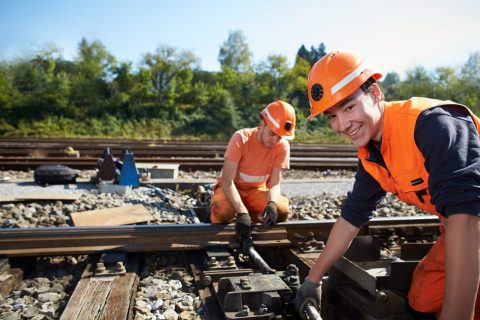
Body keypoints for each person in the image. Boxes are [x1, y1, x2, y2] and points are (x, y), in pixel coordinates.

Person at [294, 51, 480, 320]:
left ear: (375, 93)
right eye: (331, 116)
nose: (342, 124)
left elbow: (467, 216)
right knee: (423, 298)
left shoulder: (432, 124)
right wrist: (313, 279)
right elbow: (350, 219)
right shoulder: (373, 156)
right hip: (462, 226)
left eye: (349, 107)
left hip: (472, 222)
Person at [210, 100, 296, 240]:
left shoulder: (282, 146)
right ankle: (237, 212)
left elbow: (275, 184)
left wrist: (272, 203)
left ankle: (250, 215)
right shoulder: (241, 138)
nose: (275, 141)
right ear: (263, 124)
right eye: (272, 134)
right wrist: (242, 212)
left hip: (255, 191)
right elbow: (227, 181)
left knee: (281, 211)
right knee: (223, 211)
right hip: (232, 189)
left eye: (280, 137)